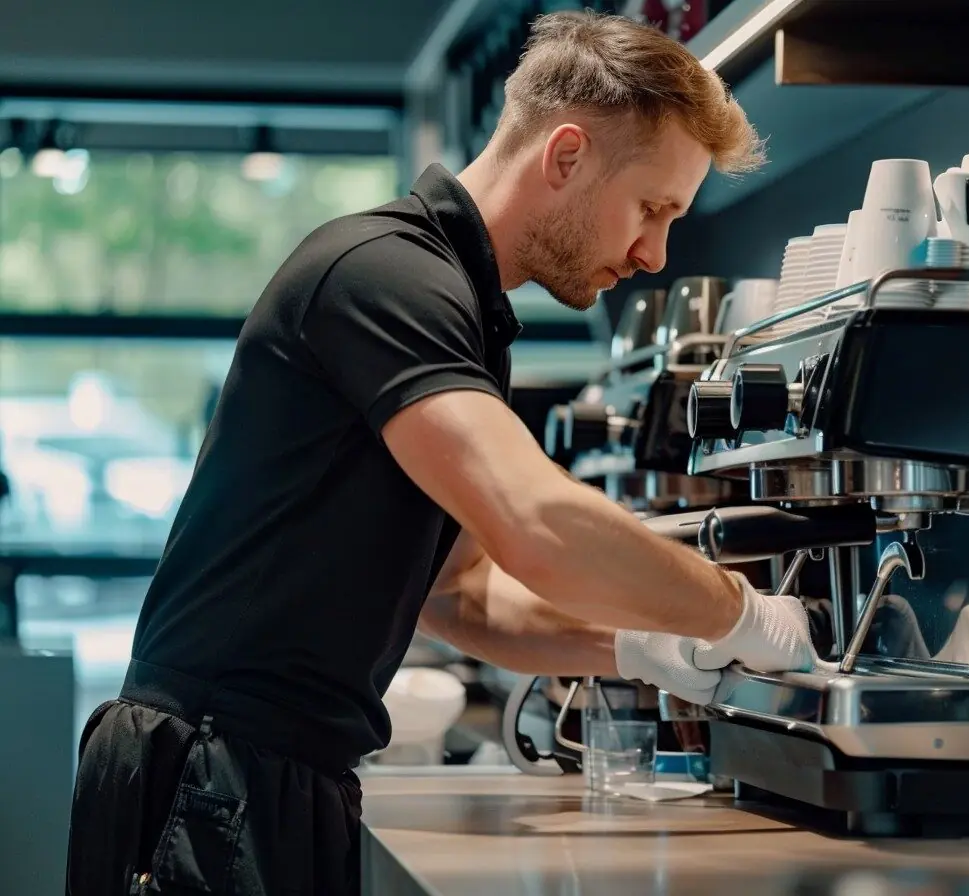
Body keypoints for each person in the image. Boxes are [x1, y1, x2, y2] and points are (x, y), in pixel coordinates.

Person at [66, 11, 817, 896]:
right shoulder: (385, 272)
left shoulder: (455, 307)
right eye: (652, 209)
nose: (653, 253)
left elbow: (461, 597)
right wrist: (735, 610)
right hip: (211, 771)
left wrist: (642, 646)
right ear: (566, 156)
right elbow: (536, 522)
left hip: (263, 769)